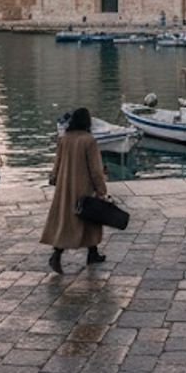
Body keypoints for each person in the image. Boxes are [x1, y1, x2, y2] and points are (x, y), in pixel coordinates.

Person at [42, 107, 108, 274]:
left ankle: (92, 253)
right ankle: (56, 255)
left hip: (65, 187)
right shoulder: (88, 140)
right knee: (88, 218)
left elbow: (57, 162)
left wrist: (54, 178)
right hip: (83, 186)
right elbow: (95, 170)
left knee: (69, 220)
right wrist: (101, 189)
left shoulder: (64, 139)